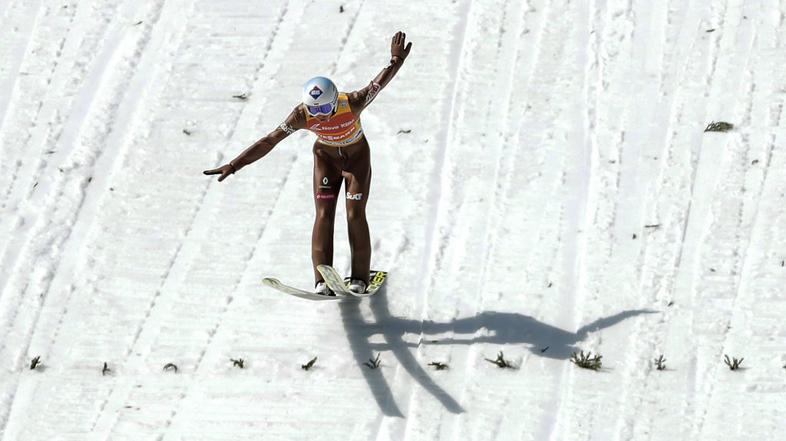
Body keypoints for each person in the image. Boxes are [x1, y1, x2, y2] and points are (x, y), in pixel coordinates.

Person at [204, 31, 412, 296]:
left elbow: (379, 84)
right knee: (323, 215)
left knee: (354, 215)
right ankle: (322, 281)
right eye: (314, 111)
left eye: (325, 110)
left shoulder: (353, 102)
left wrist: (396, 59)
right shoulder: (302, 115)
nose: (320, 118)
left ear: (335, 101)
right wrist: (234, 165)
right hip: (326, 161)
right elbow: (270, 141)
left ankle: (360, 277)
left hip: (357, 160)